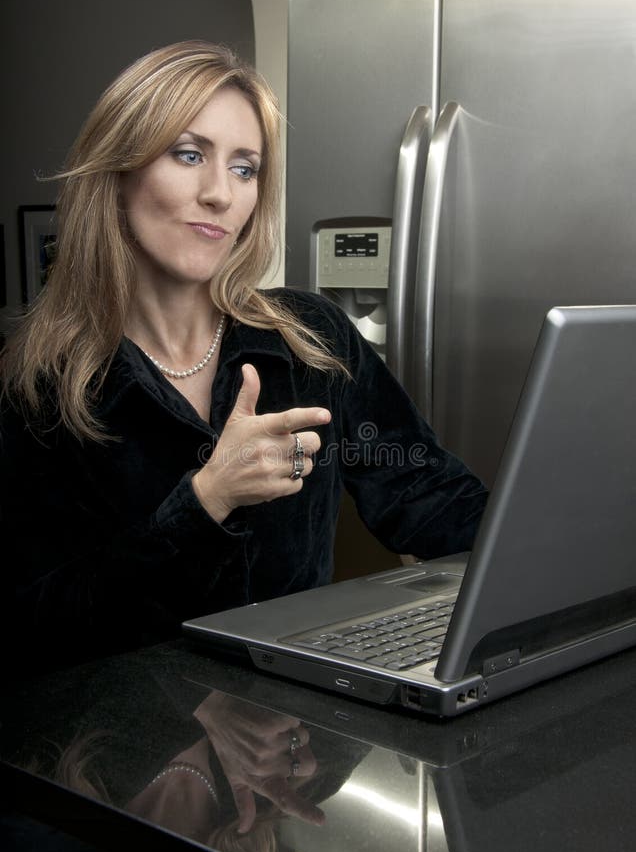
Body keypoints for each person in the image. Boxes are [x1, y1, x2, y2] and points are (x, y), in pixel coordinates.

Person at [0, 41, 487, 675]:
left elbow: (426, 494)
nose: (220, 195)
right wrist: (205, 500)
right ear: (117, 173)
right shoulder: (40, 387)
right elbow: (32, 628)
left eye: (244, 167)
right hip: (137, 753)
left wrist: (554, 550)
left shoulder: (311, 339)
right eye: (189, 154)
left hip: (305, 738)